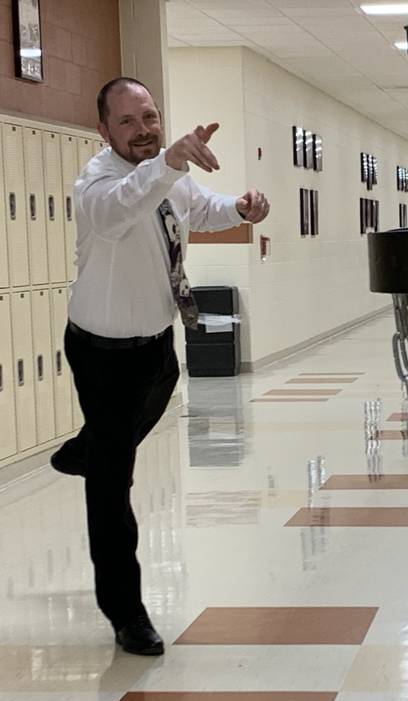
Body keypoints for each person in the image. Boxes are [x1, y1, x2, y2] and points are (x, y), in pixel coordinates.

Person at [50, 77, 269, 656]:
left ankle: (89, 447)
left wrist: (243, 208)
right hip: (99, 351)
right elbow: (127, 208)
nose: (144, 129)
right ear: (104, 130)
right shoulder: (96, 185)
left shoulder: (169, 175)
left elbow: (202, 209)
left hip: (154, 346)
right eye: (128, 121)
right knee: (112, 487)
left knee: (159, 391)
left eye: (150, 116)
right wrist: (167, 163)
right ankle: (127, 615)